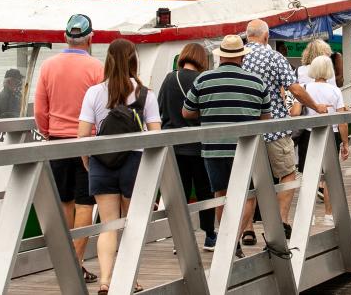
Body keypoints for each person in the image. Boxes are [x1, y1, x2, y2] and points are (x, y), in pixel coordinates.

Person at [78, 38, 161, 293]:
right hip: (134, 162)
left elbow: (82, 136)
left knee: (108, 224)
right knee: (131, 223)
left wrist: (89, 163)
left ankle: (104, 280)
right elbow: (156, 134)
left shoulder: (94, 92)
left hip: (102, 161)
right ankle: (130, 279)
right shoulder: (145, 94)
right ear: (134, 60)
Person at [182, 35, 271, 259]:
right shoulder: (257, 82)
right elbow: (267, 118)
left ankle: (225, 237)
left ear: (220, 56)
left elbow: (187, 112)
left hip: (214, 148)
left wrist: (209, 112)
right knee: (248, 195)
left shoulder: (203, 79)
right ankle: (235, 239)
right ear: (242, 56)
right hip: (245, 149)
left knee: (220, 193)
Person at [34, 14, 104, 283]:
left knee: (64, 201)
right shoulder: (97, 68)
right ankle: (76, 262)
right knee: (86, 202)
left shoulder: (48, 66)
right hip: (88, 141)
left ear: (65, 38)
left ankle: (65, 261)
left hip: (57, 142)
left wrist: (47, 130)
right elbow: (103, 107)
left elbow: (40, 108)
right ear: (90, 38)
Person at [242, 19, 321, 242]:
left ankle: (248, 230)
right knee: (287, 173)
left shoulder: (237, 57)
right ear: (266, 37)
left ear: (247, 36)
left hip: (245, 129)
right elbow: (295, 89)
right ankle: (280, 222)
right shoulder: (274, 57)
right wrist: (316, 107)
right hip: (274, 128)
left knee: (248, 180)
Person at [157, 43, 217, 251]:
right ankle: (209, 235)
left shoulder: (169, 78)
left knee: (179, 194)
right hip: (200, 144)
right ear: (202, 59)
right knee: (204, 190)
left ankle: (180, 240)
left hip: (174, 145)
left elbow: (161, 109)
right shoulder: (204, 80)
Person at [302, 55, 350, 226]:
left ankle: (309, 216)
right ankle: (329, 214)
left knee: (310, 175)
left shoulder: (305, 87)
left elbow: (296, 111)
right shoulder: (335, 91)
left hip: (310, 133)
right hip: (331, 133)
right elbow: (342, 119)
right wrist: (345, 143)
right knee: (329, 176)